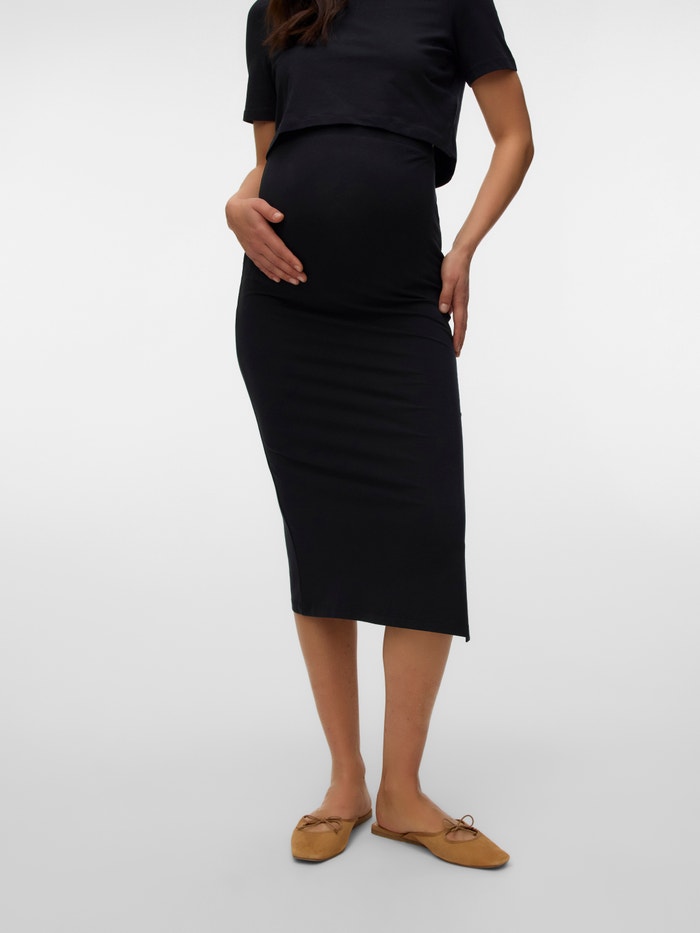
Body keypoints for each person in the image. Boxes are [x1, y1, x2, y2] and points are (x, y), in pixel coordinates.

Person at [225, 0, 533, 868]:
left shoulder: (453, 3)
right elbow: (272, 160)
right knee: (320, 537)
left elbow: (515, 136)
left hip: (401, 305)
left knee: (426, 533)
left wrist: (463, 248)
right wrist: (236, 205)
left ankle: (404, 794)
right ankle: (347, 783)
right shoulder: (277, 9)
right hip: (289, 313)